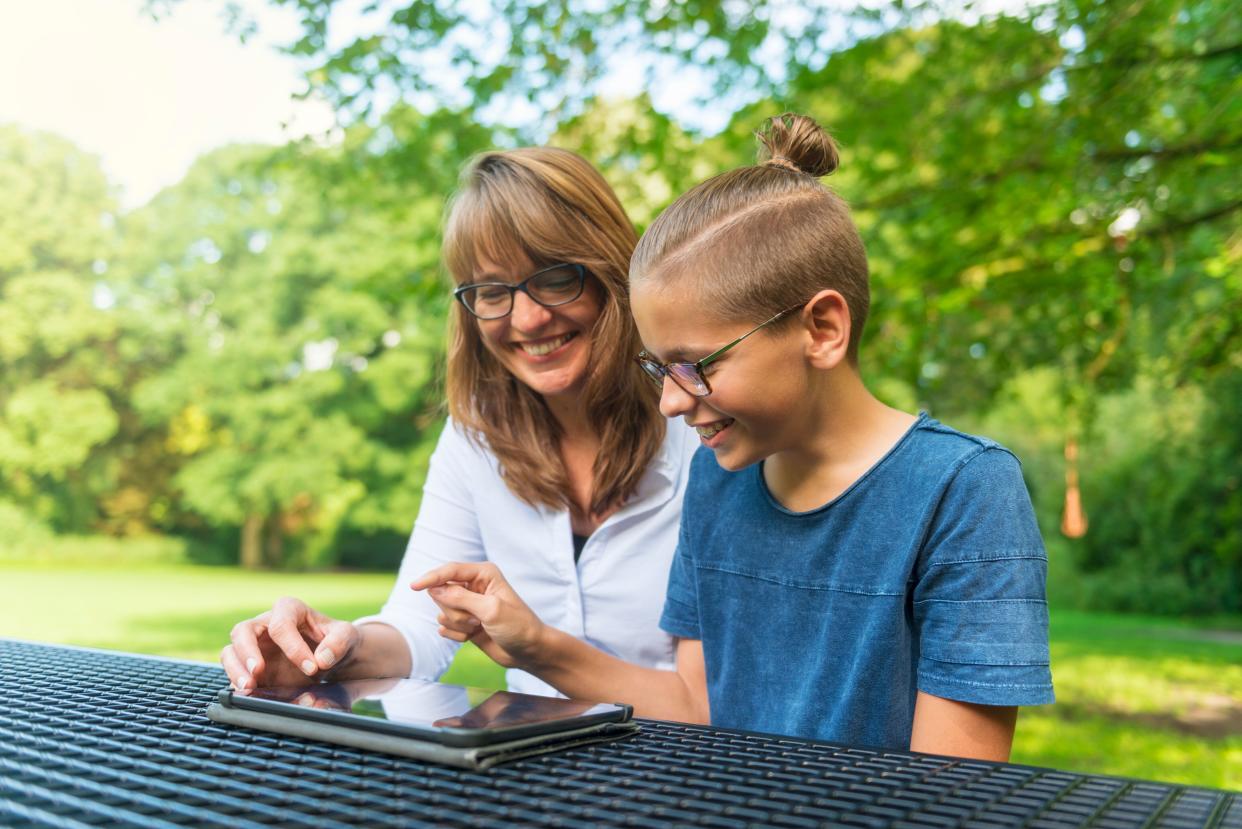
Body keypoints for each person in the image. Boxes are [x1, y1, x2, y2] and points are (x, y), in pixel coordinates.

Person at [415, 113, 1055, 761]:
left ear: (822, 328)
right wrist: (536, 644)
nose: (669, 399)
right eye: (658, 367)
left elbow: (954, 786)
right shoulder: (717, 480)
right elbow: (698, 710)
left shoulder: (963, 489)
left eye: (697, 365)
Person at [220, 146, 697, 696]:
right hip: (532, 771)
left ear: (612, 273)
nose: (529, 318)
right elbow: (420, 628)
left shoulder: (704, 426)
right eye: (493, 292)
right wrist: (332, 649)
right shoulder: (475, 437)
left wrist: (539, 646)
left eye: (556, 278)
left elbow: (712, 701)